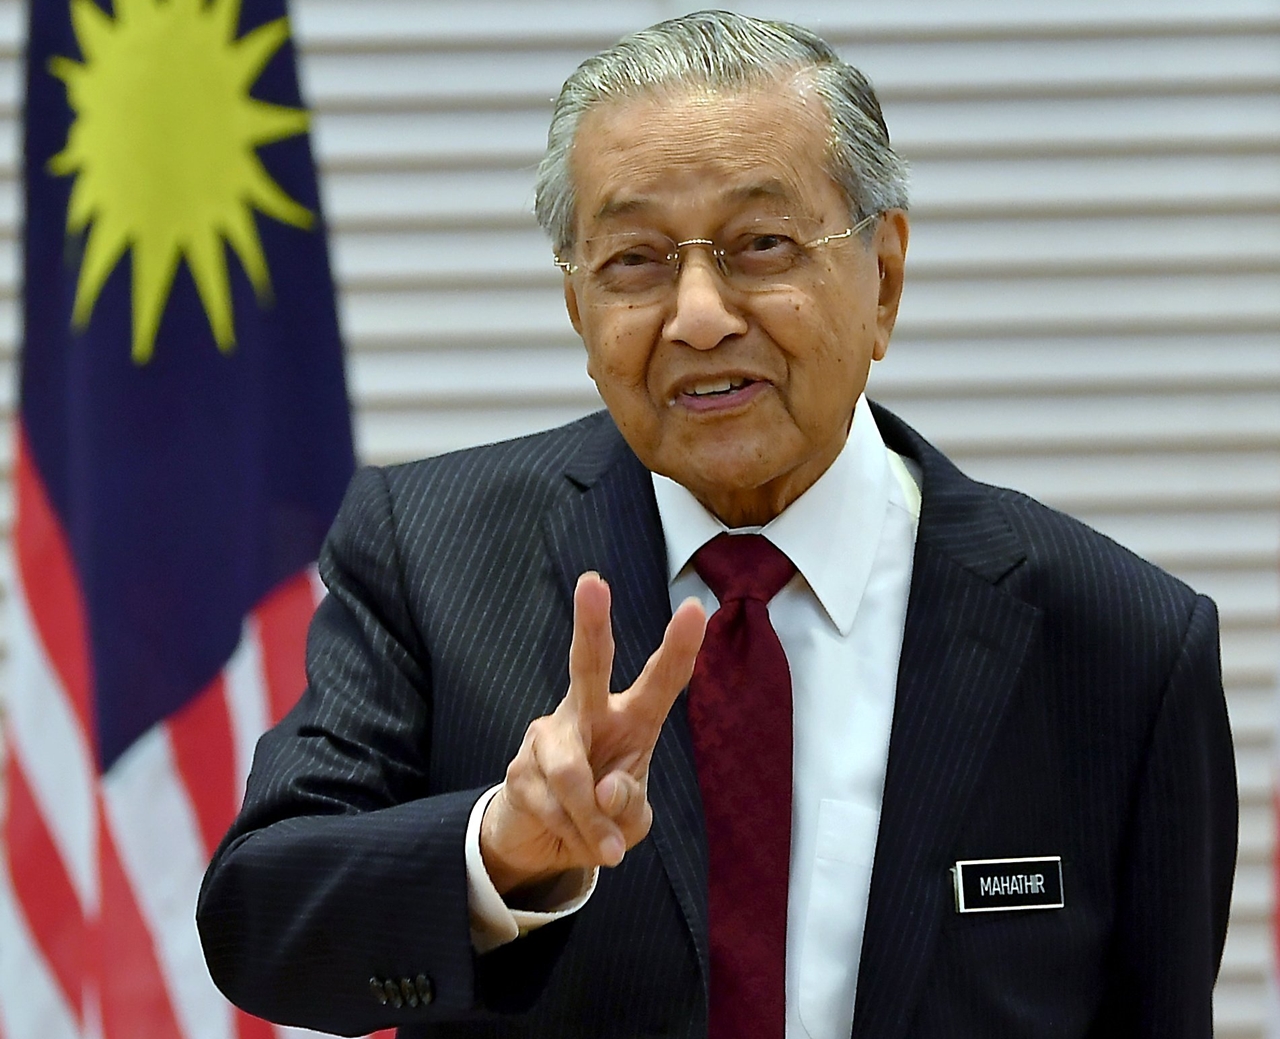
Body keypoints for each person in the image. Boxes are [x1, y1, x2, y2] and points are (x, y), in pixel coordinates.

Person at [197, 11, 1237, 1038]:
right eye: (634, 260)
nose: (698, 315)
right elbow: (259, 918)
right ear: (578, 309)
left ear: (883, 278)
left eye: (761, 245)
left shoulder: (1121, 644)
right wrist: (497, 850)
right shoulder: (429, 555)